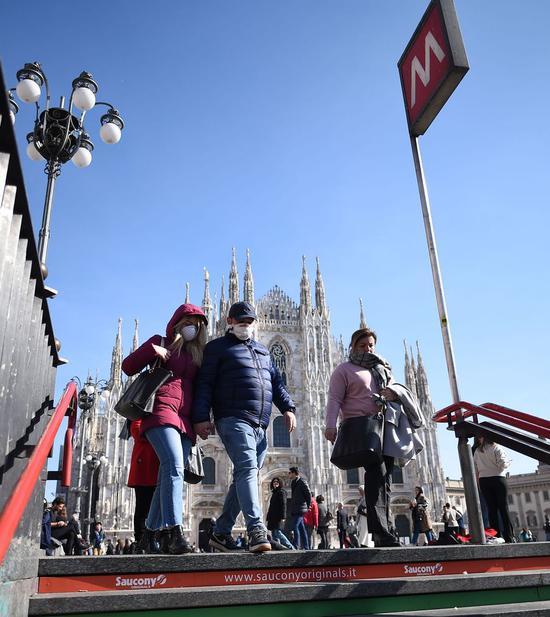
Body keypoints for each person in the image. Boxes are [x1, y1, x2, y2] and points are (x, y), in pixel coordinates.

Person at [192, 301, 296, 553]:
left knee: (244, 475)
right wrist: (201, 416)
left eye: (250, 322)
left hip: (260, 424)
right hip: (232, 418)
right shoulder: (217, 348)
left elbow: (276, 383)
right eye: (241, 321)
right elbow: (205, 384)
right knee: (248, 469)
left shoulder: (262, 351)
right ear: (230, 321)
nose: (246, 326)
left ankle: (221, 532)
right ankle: (256, 529)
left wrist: (288, 408)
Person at [122, 303, 208, 555]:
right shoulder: (161, 341)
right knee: (173, 466)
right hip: (160, 411)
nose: (194, 327)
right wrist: (152, 350)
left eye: (199, 323)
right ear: (179, 322)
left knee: (166, 477)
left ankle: (148, 535)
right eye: (190, 321)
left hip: (184, 419)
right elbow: (128, 366)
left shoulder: (197, 354)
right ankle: (173, 531)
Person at [324, 328, 402, 547]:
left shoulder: (381, 368)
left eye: (370, 345)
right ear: (353, 346)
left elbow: (396, 392)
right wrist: (330, 425)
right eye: (362, 345)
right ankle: (381, 533)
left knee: (384, 480)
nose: (367, 349)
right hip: (361, 427)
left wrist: (393, 393)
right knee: (376, 476)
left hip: (384, 426)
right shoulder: (344, 370)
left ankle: (384, 530)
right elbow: (334, 399)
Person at [127, 418, 161, 553]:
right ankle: (140, 539)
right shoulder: (137, 415)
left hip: (157, 466)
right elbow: (137, 431)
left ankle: (154, 538)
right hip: (143, 466)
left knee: (157, 507)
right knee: (142, 507)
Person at [473, 436, 514, 543]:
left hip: (484, 481)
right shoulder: (496, 448)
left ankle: (496, 536)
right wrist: (509, 462)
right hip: (498, 478)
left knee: (492, 510)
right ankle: (509, 536)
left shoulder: (477, 451)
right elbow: (502, 464)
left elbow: (476, 469)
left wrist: (479, 484)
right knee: (503, 509)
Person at [266, 477, 294, 549]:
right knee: (274, 534)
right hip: (272, 517)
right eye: (274, 482)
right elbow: (271, 507)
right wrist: (268, 517)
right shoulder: (274, 493)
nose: (275, 483)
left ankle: (290, 547)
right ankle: (278, 547)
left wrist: (283, 517)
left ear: (280, 483)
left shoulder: (281, 492)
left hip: (278, 516)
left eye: (277, 482)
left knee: (278, 533)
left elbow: (283, 504)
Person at [288, 467, 312, 549]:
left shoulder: (302, 481)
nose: (289, 474)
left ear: (294, 473)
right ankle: (306, 546)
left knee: (295, 526)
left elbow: (308, 494)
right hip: (296, 508)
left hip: (301, 508)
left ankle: (296, 545)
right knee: (301, 528)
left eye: (290, 473)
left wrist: (309, 506)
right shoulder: (293, 482)